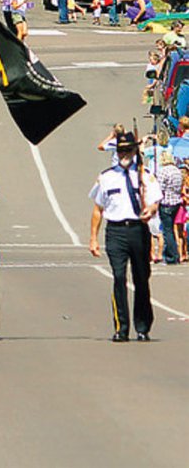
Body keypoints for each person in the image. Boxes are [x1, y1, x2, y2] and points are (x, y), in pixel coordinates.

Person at [89, 129, 161, 340]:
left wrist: (152, 209)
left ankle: (142, 326)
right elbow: (97, 209)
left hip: (138, 230)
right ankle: (121, 327)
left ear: (134, 150)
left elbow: (156, 200)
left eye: (127, 150)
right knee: (119, 277)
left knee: (141, 278)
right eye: (120, 151)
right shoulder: (106, 177)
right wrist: (93, 238)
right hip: (116, 231)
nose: (123, 155)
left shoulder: (145, 175)